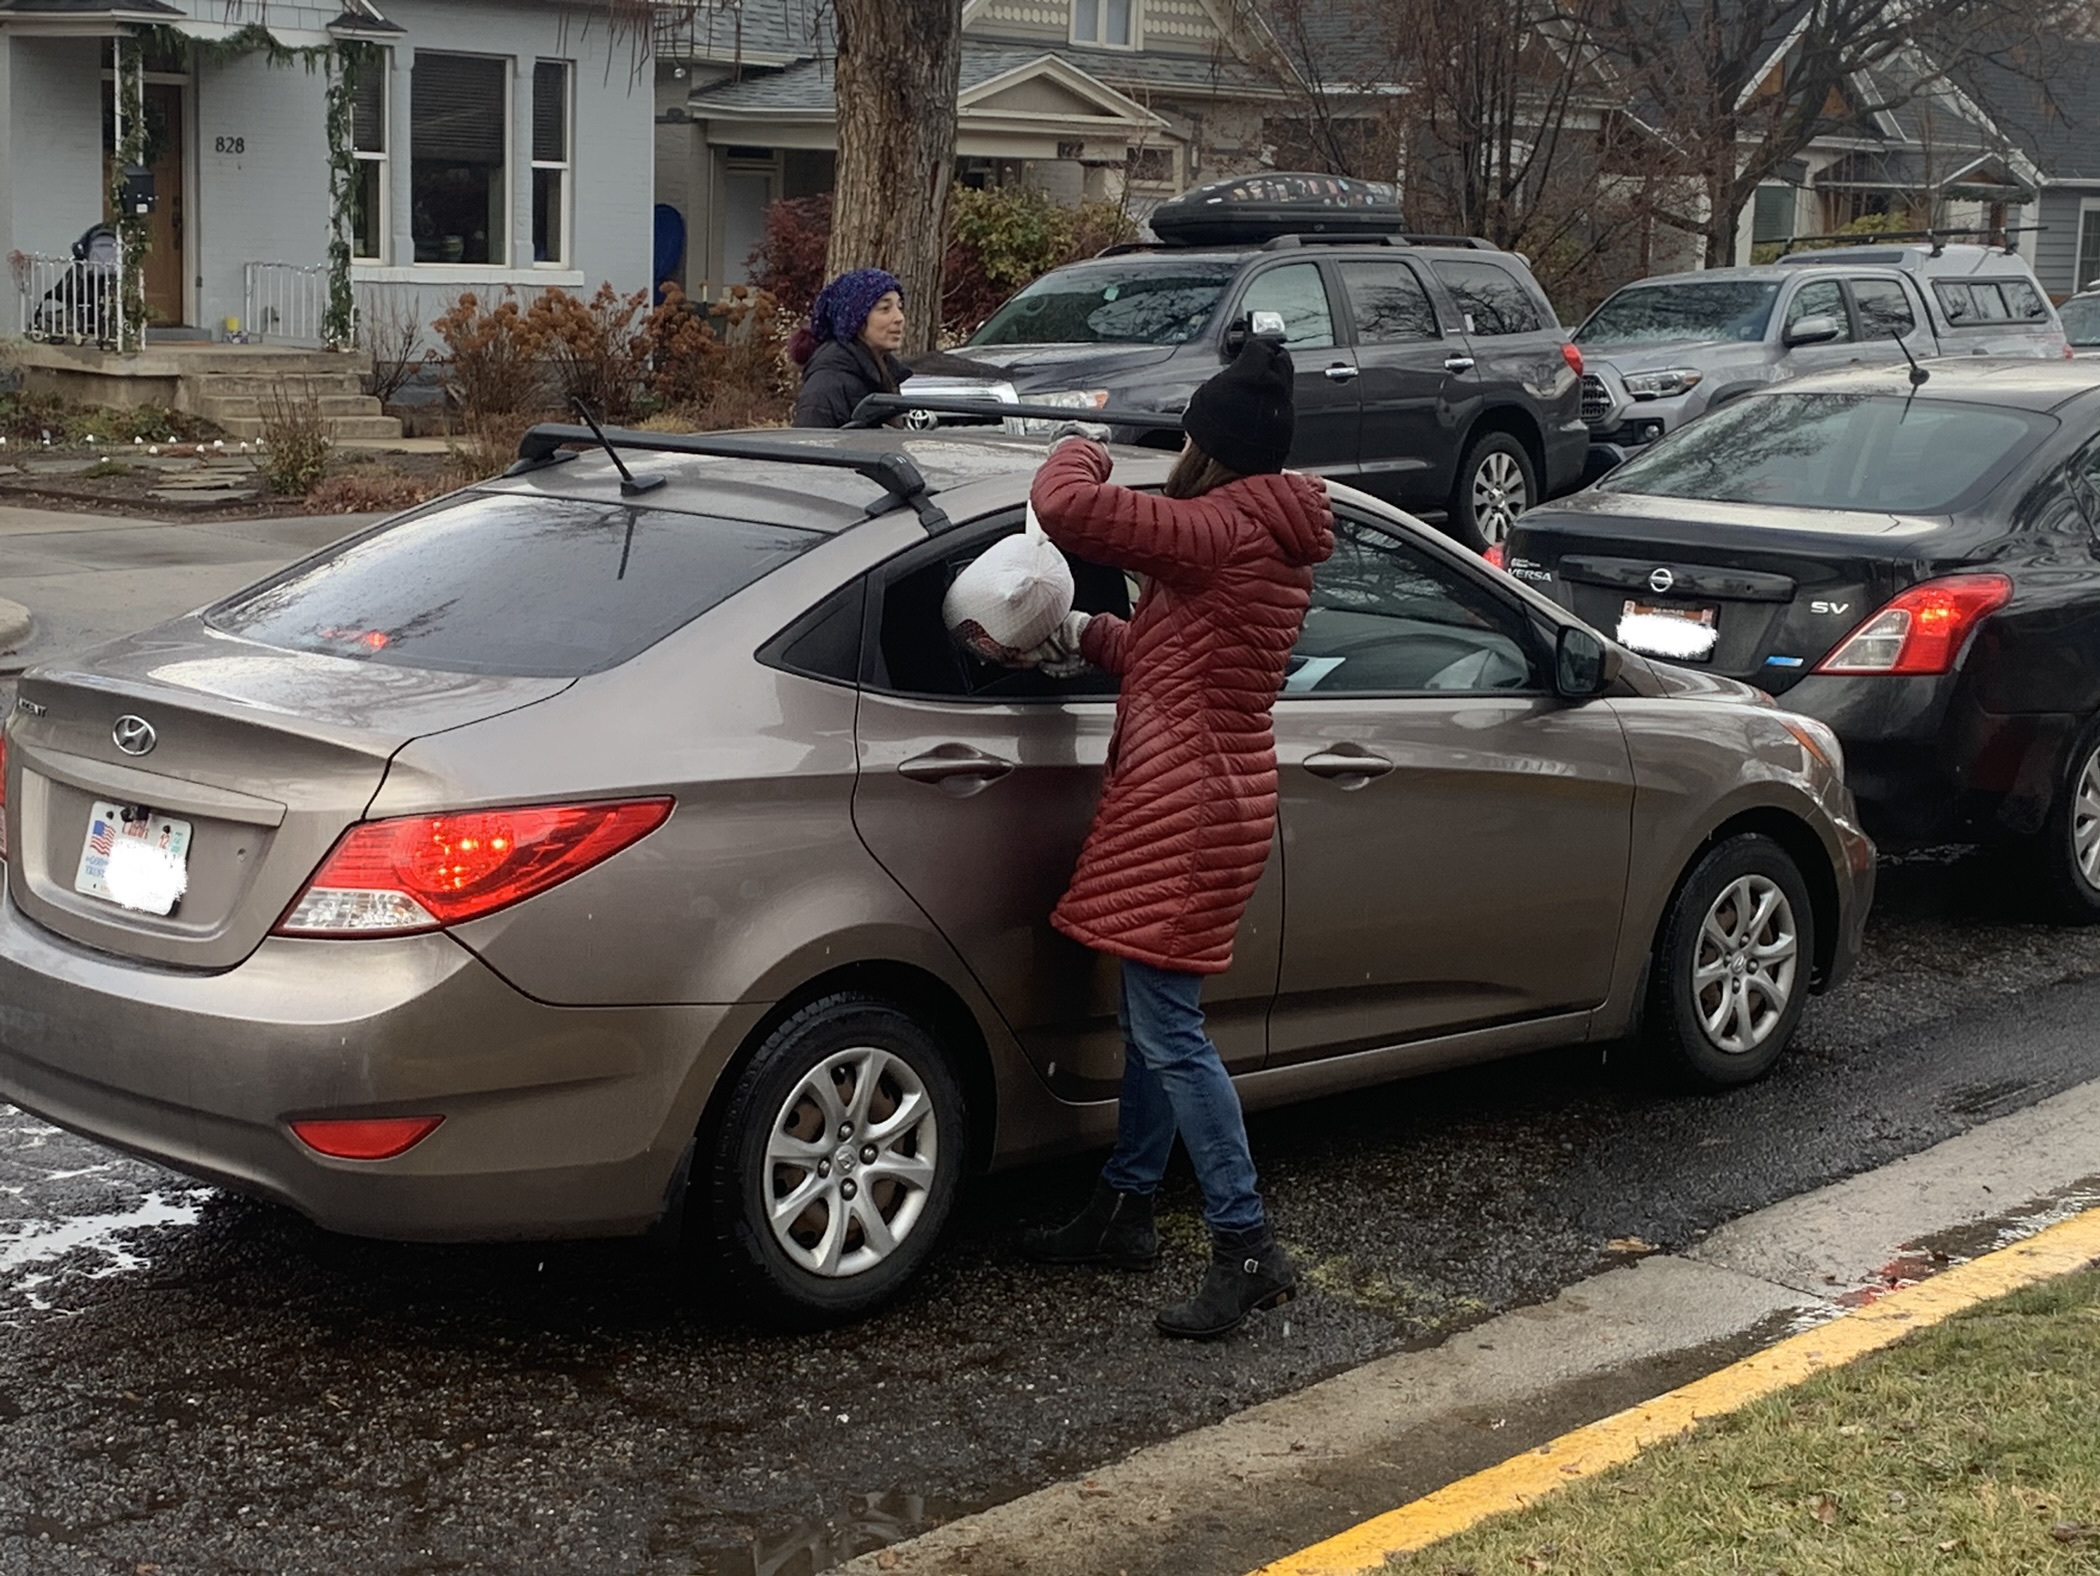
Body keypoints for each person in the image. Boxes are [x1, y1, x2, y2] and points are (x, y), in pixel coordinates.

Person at [1016, 337, 1336, 1339]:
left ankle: (1246, 1245)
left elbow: (1068, 510)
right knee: (1159, 1025)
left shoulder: (1220, 529)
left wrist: (1079, 442)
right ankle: (1127, 1203)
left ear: (1211, 444)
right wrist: (1077, 633)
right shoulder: (1258, 536)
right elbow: (1174, 653)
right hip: (1212, 791)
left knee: (1171, 1037)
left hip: (1186, 805)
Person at [790, 268, 912, 428]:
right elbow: (809, 448)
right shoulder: (826, 385)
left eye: (899, 307)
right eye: (885, 309)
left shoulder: (885, 375)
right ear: (855, 320)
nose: (899, 318)